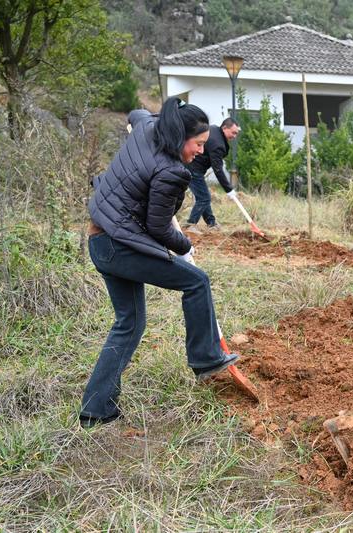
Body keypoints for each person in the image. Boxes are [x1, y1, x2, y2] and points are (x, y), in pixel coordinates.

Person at [82, 97, 239, 429]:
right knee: (197, 282)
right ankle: (207, 359)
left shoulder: (149, 127)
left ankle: (97, 409)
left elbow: (136, 113)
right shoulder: (171, 171)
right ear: (179, 136)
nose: (200, 151)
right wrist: (185, 246)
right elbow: (158, 227)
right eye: (197, 144)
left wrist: (136, 120)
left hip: (100, 238)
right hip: (118, 245)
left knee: (129, 324)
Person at [184, 117, 241, 231]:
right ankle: (191, 224)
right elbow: (218, 170)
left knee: (204, 196)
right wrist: (229, 189)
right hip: (193, 169)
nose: (234, 136)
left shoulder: (214, 129)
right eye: (233, 133)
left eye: (236, 134)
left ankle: (211, 223)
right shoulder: (218, 144)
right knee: (204, 198)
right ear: (225, 128)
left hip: (192, 167)